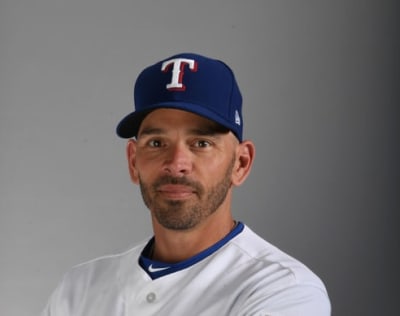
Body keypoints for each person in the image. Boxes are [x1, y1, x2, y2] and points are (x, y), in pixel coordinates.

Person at [41, 53, 331, 315]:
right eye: (157, 143)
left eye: (201, 143)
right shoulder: (78, 289)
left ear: (240, 164)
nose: (177, 162)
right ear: (133, 162)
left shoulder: (284, 289)